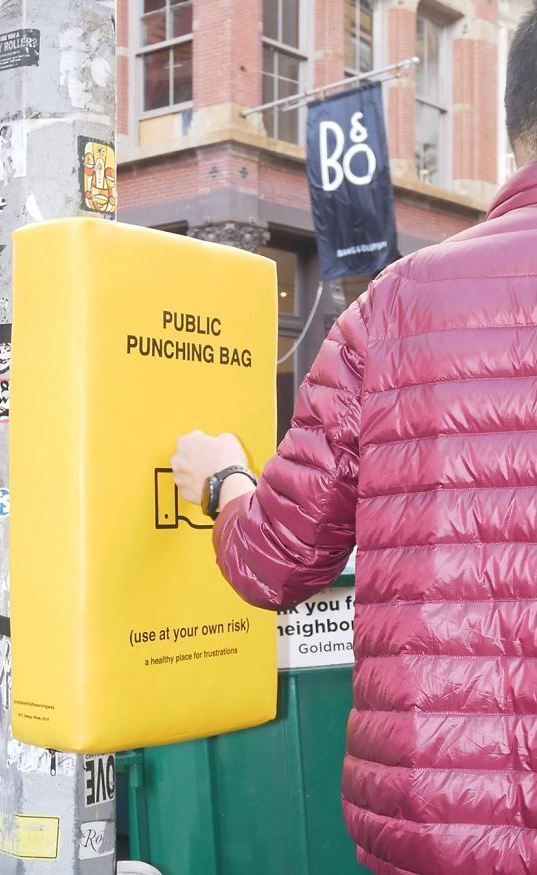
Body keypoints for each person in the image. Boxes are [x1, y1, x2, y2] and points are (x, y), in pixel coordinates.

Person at [171, 10, 537, 875]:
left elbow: (276, 557)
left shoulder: (397, 304)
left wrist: (223, 478)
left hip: (439, 819)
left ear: (515, 124)